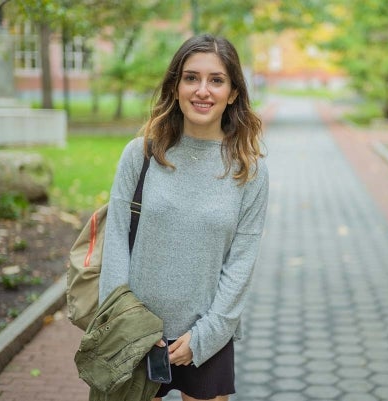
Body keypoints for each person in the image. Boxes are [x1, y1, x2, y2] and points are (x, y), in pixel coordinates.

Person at [98, 34, 269, 401]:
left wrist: (208, 335)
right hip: (138, 330)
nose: (202, 90)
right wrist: (127, 325)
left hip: (207, 333)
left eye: (216, 80)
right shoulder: (140, 153)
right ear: (176, 87)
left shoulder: (248, 170)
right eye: (191, 78)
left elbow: (241, 263)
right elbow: (114, 240)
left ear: (234, 92)